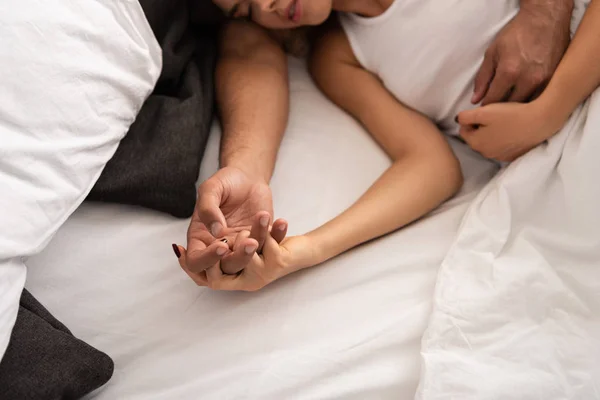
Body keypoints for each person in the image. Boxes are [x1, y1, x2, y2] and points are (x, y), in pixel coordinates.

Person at [172, 0, 575, 291]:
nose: (266, 6)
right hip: (558, 173)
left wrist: (548, 112)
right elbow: (432, 166)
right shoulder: (339, 57)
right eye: (246, 9)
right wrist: (300, 252)